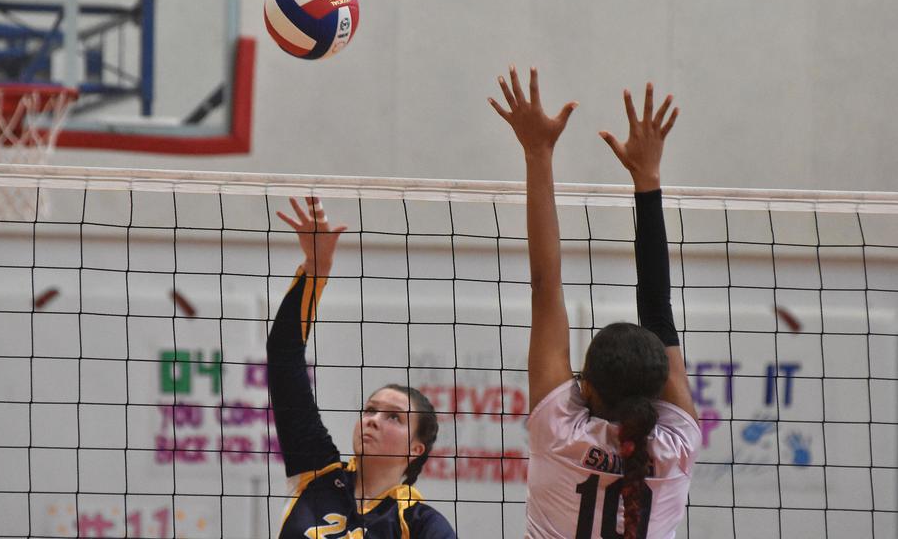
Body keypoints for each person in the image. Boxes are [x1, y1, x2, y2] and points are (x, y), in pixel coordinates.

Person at [489, 67, 700, 539]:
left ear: (585, 385)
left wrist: (537, 152)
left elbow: (548, 285)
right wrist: (648, 177)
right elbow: (656, 310)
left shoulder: (562, 432)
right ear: (658, 387)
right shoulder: (675, 447)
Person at [267, 196, 456, 538]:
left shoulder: (422, 524)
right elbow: (284, 355)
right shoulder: (316, 473)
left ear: (415, 450)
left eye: (393, 417)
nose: (373, 420)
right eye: (370, 410)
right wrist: (316, 266)